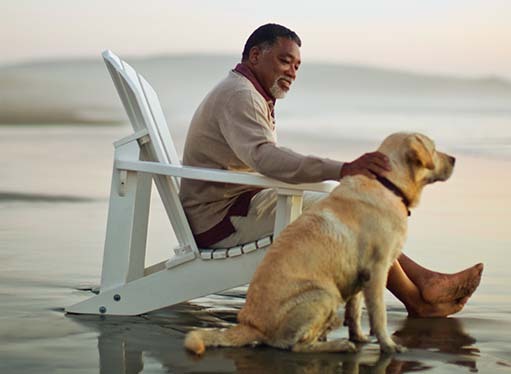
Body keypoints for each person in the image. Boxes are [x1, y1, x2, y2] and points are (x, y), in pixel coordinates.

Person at [180, 23, 483, 317]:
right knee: (351, 215)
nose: (292, 72)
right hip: (223, 220)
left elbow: (260, 161)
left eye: (297, 66)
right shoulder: (241, 95)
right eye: (285, 61)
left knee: (352, 208)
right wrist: (343, 169)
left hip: (236, 205)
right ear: (256, 56)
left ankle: (425, 283)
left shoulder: (248, 91)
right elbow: (266, 158)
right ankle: (418, 298)